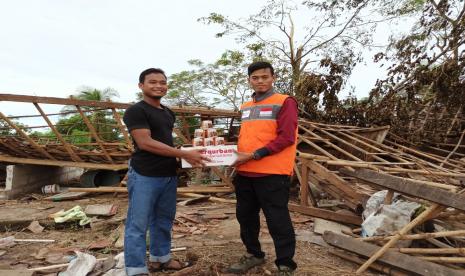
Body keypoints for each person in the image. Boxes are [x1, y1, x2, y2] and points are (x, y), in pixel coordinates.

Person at [123, 68, 209, 276]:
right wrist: (182, 153)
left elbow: (165, 142)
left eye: (162, 82)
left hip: (168, 175)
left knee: (163, 220)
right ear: (141, 85)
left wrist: (188, 155)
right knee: (138, 224)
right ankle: (135, 269)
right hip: (144, 174)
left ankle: (160, 259)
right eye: (153, 82)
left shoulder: (167, 112)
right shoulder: (136, 111)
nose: (159, 85)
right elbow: (145, 143)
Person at [229, 61, 298, 275]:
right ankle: (254, 254)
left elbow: (286, 138)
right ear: (249, 80)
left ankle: (285, 263)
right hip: (245, 173)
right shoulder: (246, 107)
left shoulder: (285, 102)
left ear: (273, 78)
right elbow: (247, 138)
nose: (260, 81)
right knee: (246, 217)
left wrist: (255, 154)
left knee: (277, 218)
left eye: (264, 77)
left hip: (272, 174)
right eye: (255, 78)